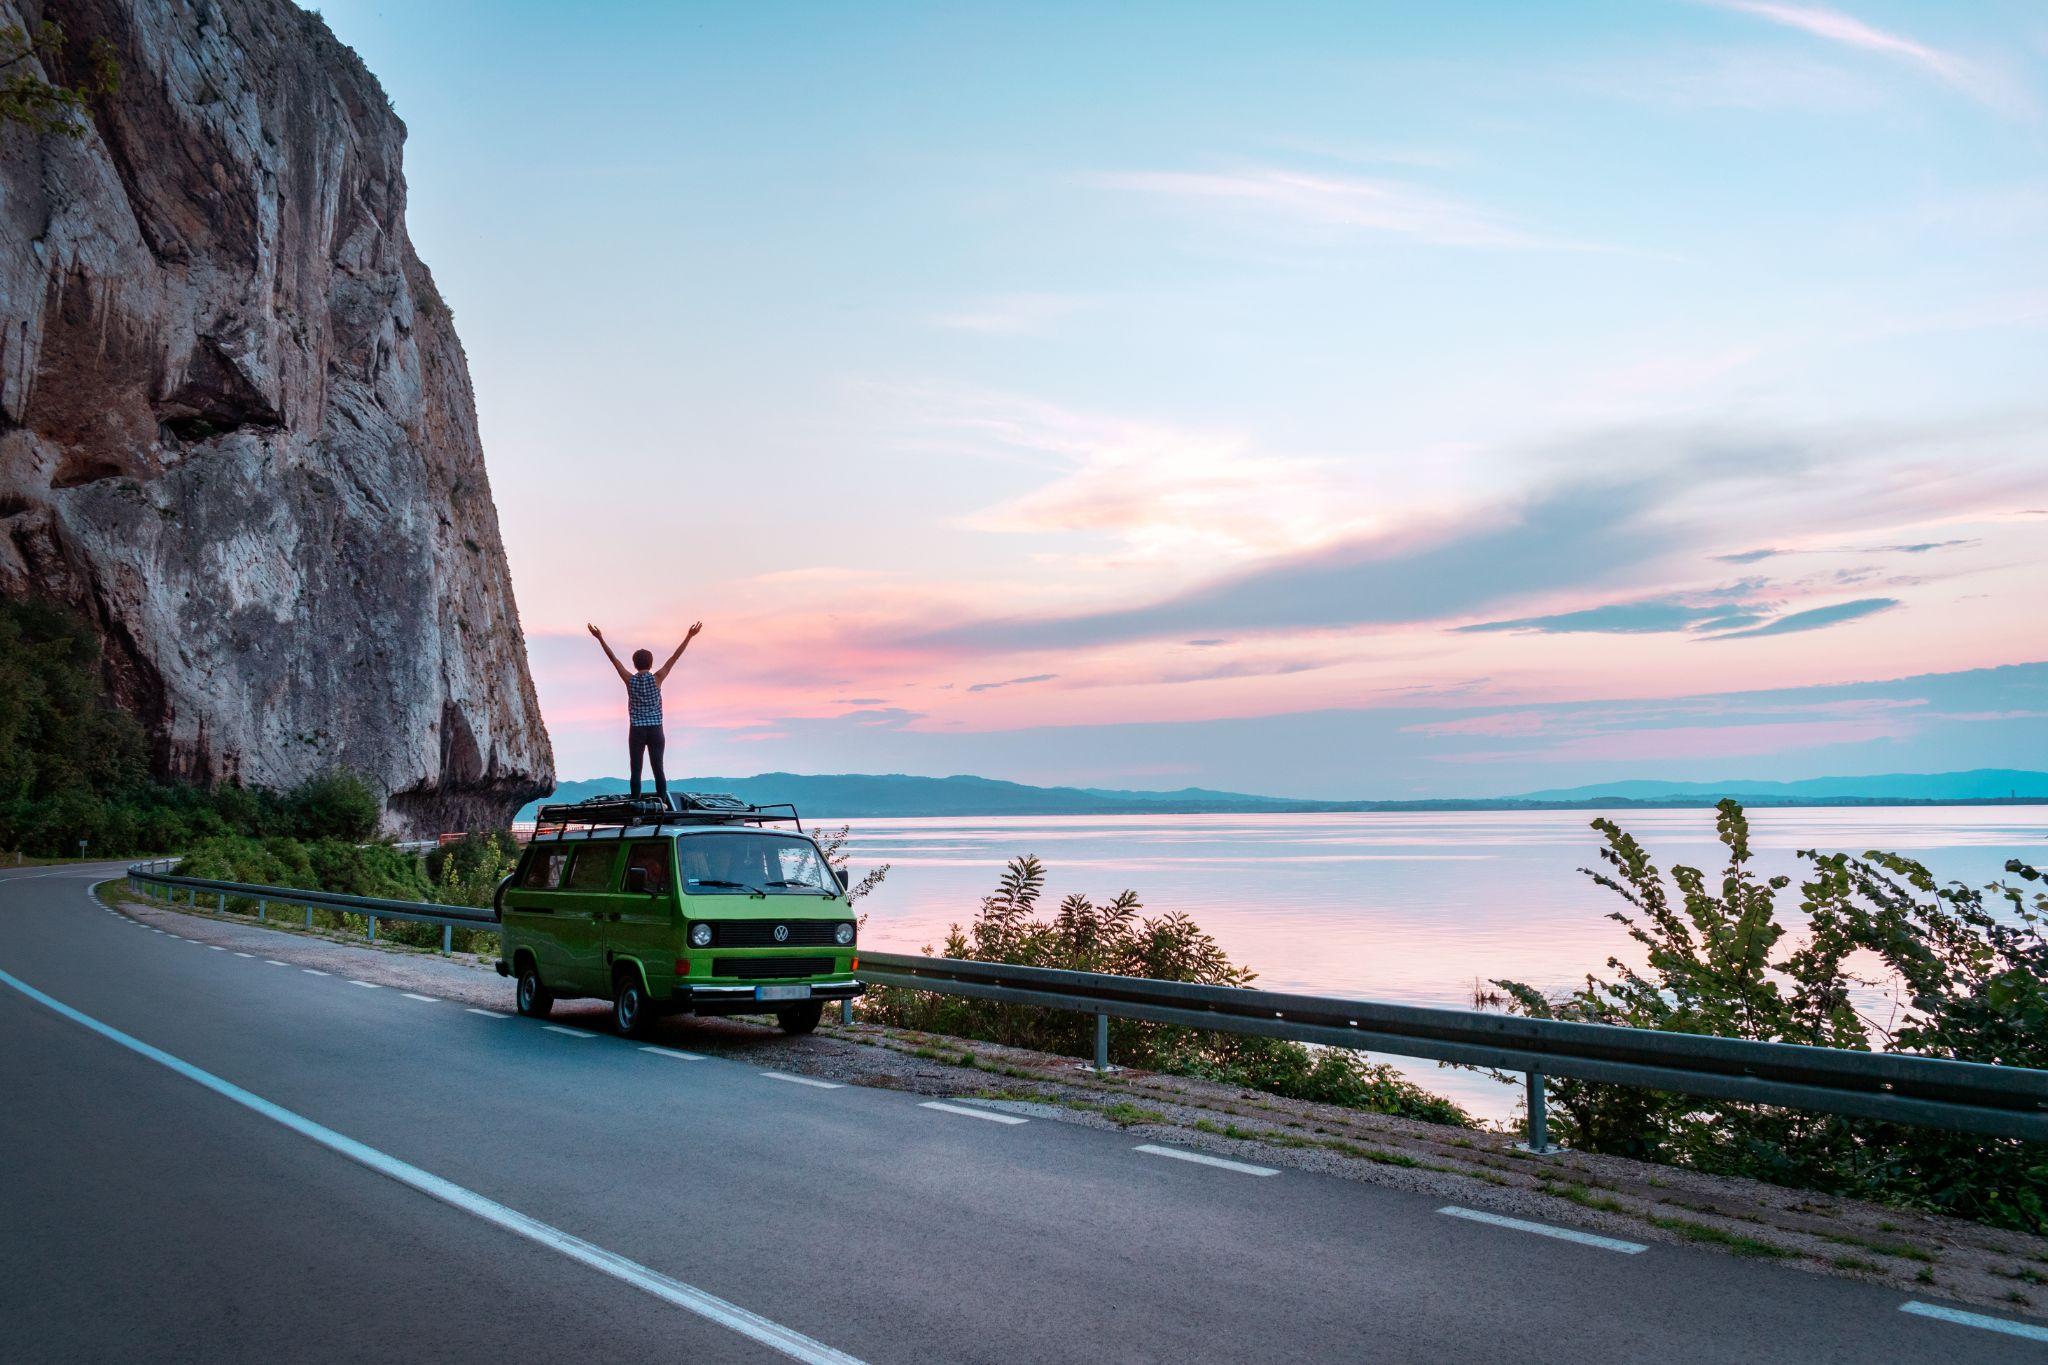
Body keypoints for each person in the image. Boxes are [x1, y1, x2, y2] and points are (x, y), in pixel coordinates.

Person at [587, 621, 702, 801]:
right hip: (656, 729)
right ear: (651, 663)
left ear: (634, 664)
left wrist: (600, 638)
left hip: (637, 730)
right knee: (658, 768)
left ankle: (635, 803)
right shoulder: (658, 678)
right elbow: (674, 658)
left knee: (636, 769)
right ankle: (662, 803)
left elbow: (613, 659)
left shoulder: (629, 680)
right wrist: (689, 636)